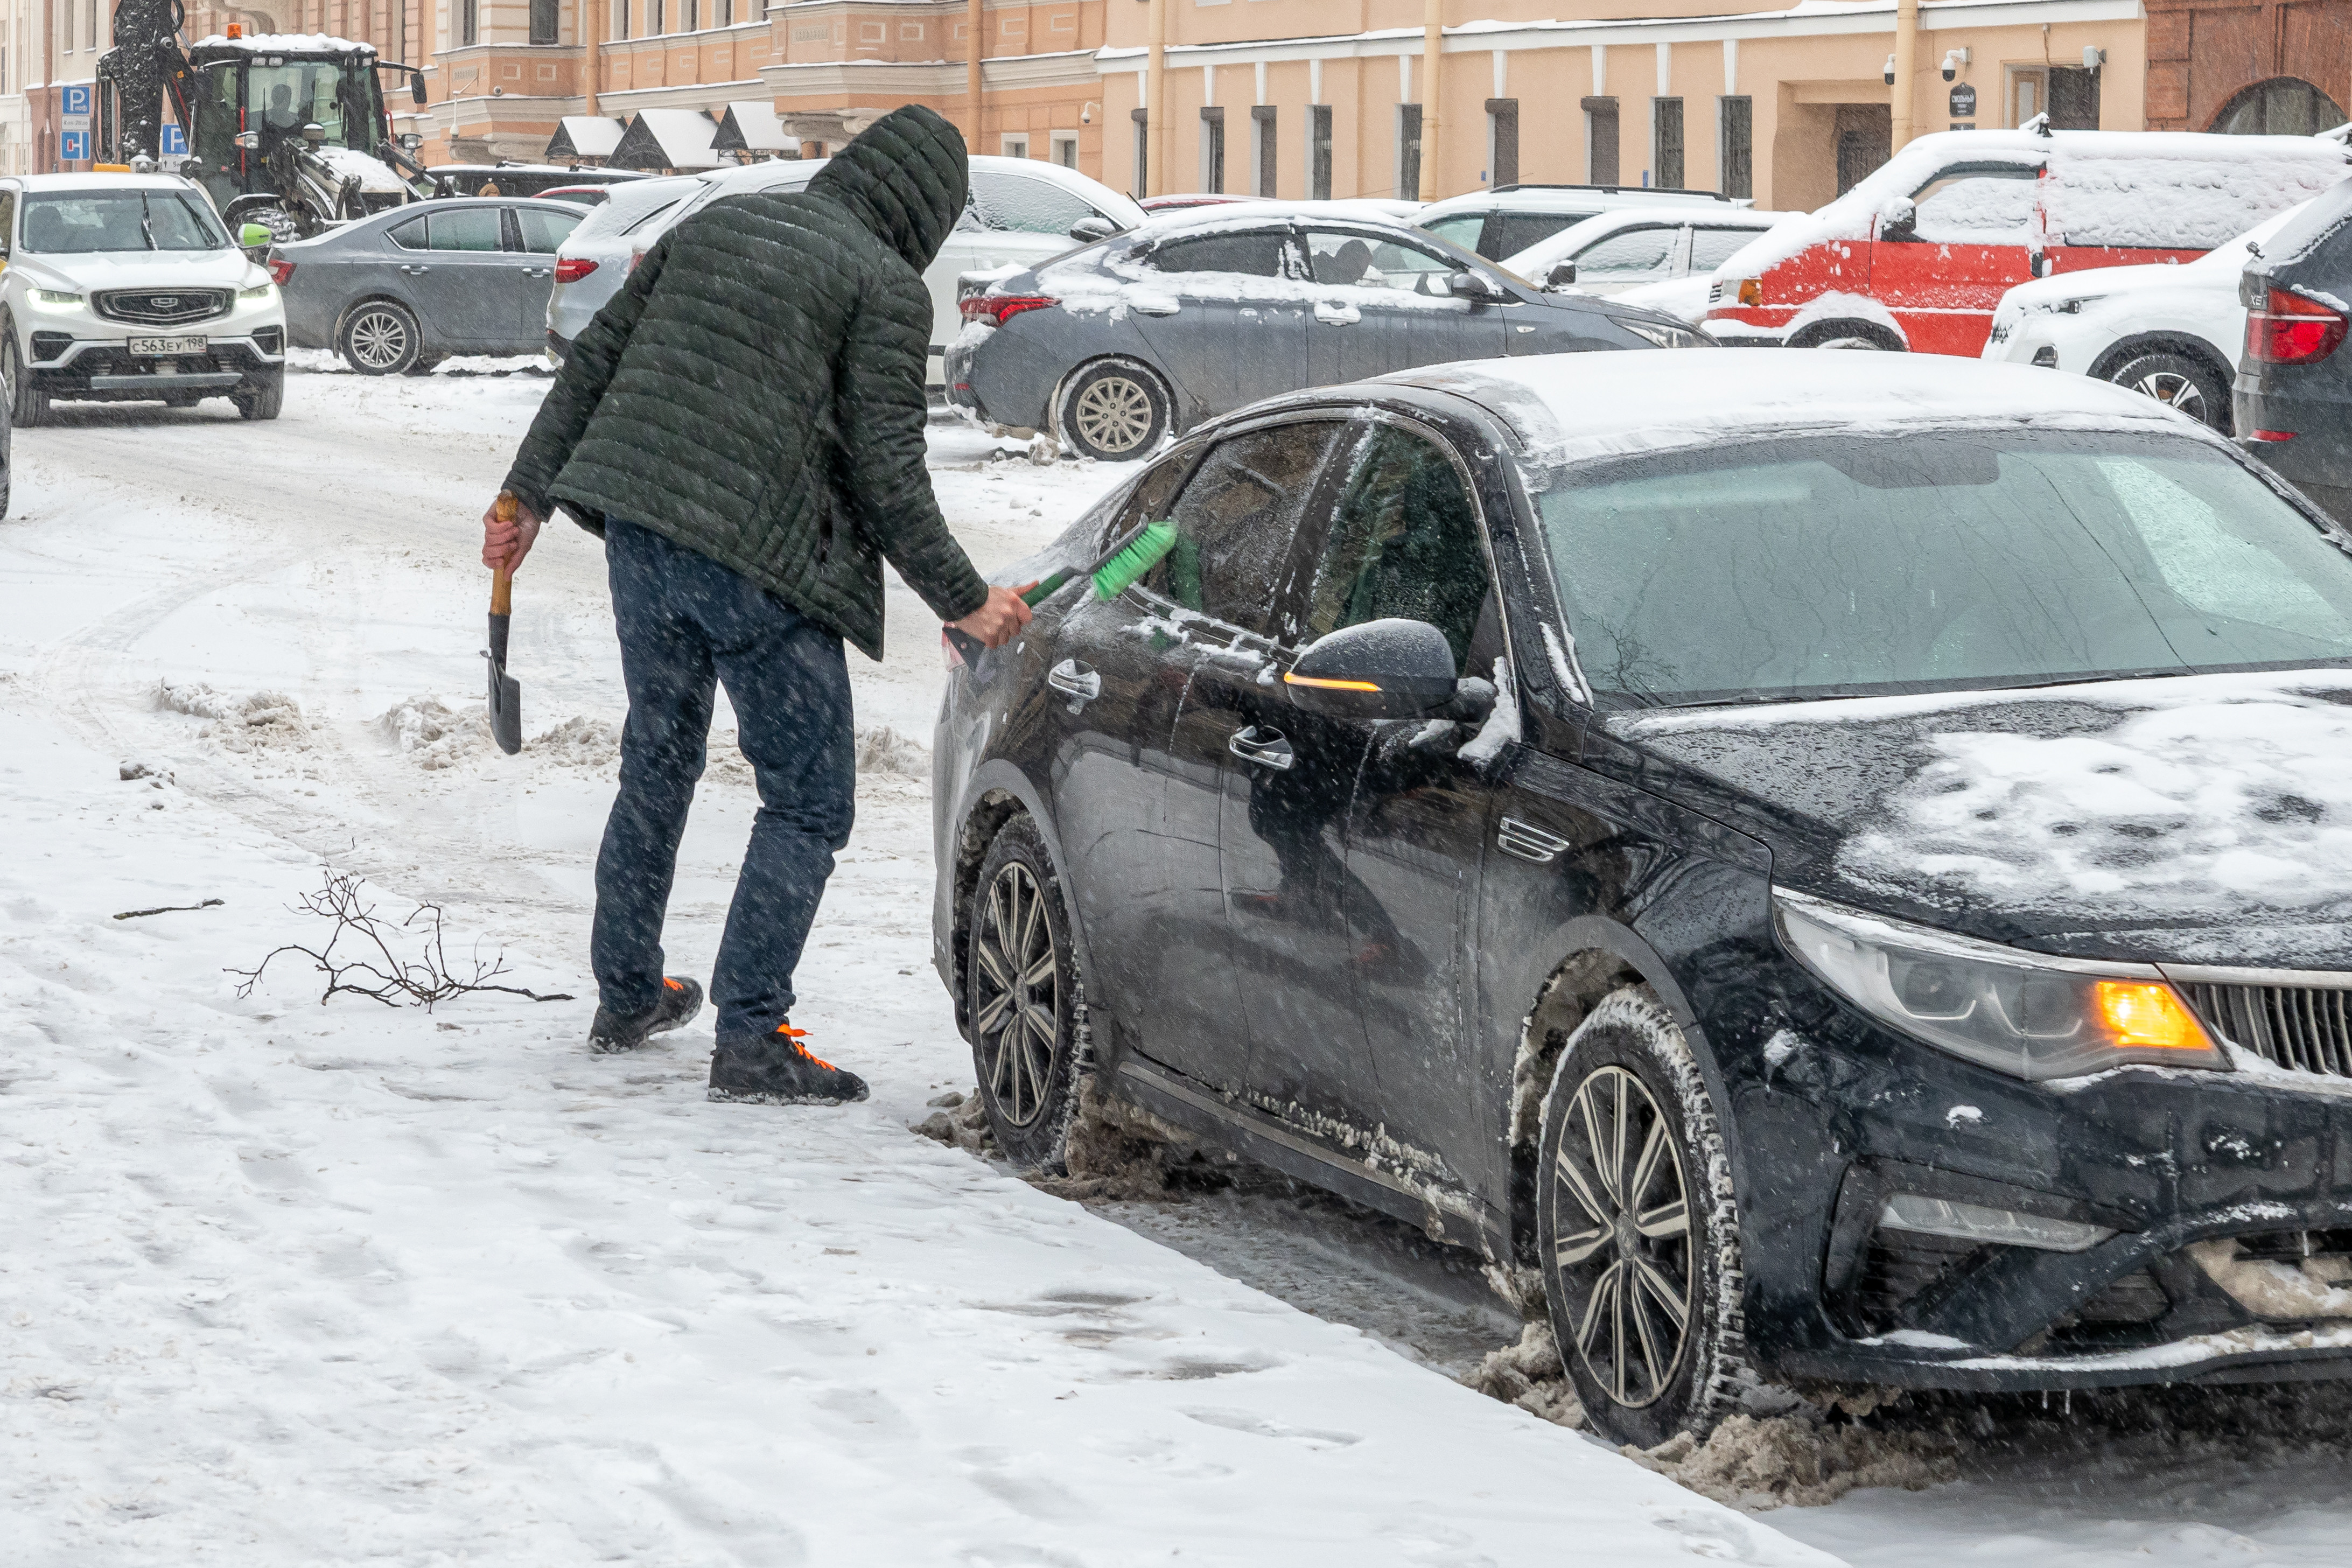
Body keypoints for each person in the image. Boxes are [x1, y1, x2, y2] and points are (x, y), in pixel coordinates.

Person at [480, 104, 1030, 1106]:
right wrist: (964, 600)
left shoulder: (720, 222)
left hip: (645, 539)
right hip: (760, 570)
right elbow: (886, 473)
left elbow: (594, 363)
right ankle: (751, 1034)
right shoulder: (885, 287)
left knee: (657, 760)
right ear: (926, 214)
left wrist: (528, 495)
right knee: (810, 801)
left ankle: (629, 991)